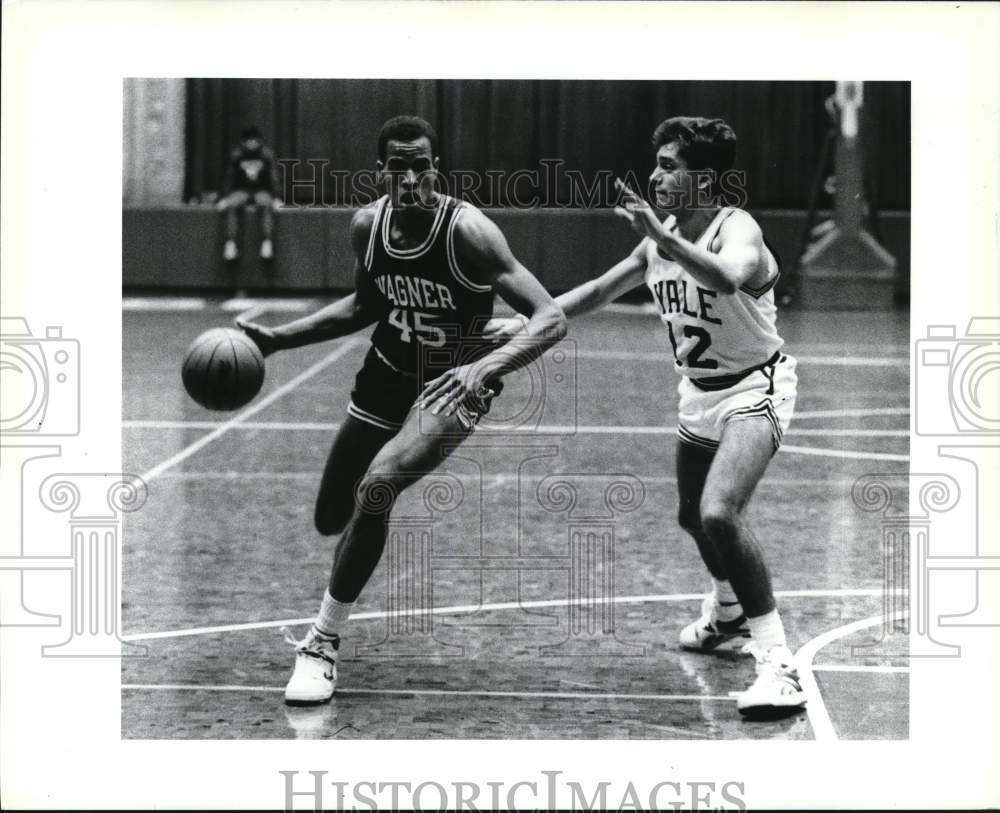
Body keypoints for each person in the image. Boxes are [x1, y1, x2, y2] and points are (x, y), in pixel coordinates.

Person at [237, 115, 567, 706]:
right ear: (382, 170)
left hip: (450, 384)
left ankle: (321, 644)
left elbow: (551, 317)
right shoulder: (368, 226)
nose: (410, 175)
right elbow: (363, 306)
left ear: (436, 168)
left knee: (378, 487)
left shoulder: (469, 232)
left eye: (421, 164)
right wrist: (278, 340)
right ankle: (351, 568)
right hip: (386, 373)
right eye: (398, 165)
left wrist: (486, 367)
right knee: (331, 515)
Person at [487, 116, 805, 718]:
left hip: (755, 388)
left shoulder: (738, 230)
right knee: (692, 516)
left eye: (669, 166)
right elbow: (598, 291)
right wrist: (528, 323)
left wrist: (662, 235)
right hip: (700, 393)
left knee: (720, 511)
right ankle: (728, 614)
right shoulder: (657, 241)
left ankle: (778, 664)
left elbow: (728, 279)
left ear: (704, 180)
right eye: (656, 164)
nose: (656, 176)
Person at [217, 125, 279, 261]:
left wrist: (276, 197)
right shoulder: (236, 155)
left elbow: (273, 177)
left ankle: (267, 242)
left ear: (260, 141)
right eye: (249, 141)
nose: (252, 144)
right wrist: (224, 198)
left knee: (266, 204)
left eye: (254, 141)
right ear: (243, 142)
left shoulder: (267, 155)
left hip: (261, 190)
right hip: (242, 190)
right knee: (231, 205)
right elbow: (229, 177)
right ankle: (230, 243)